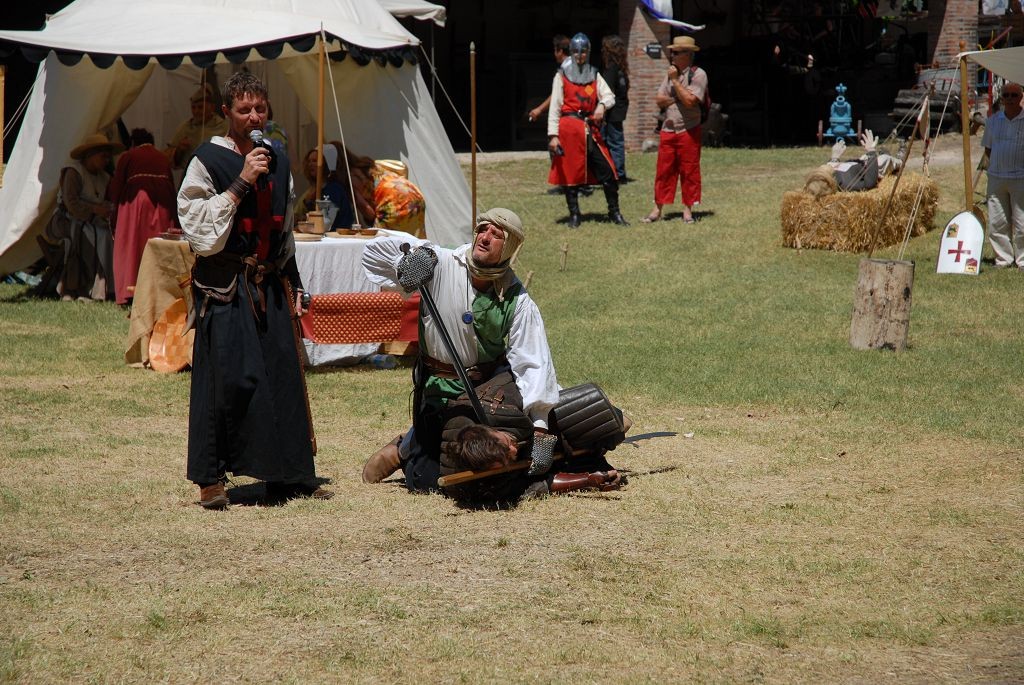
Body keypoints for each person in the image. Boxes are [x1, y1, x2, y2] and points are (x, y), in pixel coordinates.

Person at [177, 71, 332, 509]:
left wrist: (294, 279)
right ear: (226, 112)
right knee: (226, 381)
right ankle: (211, 480)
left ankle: (290, 475)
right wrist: (240, 181)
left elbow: (283, 227)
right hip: (225, 287)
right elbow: (197, 228)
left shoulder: (277, 157)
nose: (253, 116)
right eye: (244, 109)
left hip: (268, 284)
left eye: (260, 108)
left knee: (282, 377)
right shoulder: (207, 160)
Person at [360, 208, 561, 492]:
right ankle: (406, 446)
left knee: (487, 464)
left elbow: (532, 360)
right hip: (437, 389)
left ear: (509, 248)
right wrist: (410, 261)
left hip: (488, 389)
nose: (485, 237)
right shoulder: (441, 263)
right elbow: (372, 253)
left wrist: (539, 426)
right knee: (427, 480)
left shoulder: (517, 297)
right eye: (482, 229)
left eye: (496, 234)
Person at [547, 33, 628, 228]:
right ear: (572, 52)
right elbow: (555, 107)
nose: (580, 55)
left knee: (608, 171)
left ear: (588, 52)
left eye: (583, 51)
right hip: (569, 130)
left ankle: (614, 213)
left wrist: (601, 105)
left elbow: (609, 96)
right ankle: (574, 215)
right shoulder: (561, 76)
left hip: (590, 130)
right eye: (576, 51)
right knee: (571, 174)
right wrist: (553, 136)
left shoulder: (594, 74)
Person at [43, 132, 123, 301]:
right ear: (90, 155)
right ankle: (81, 287)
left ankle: (104, 288)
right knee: (91, 235)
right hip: (66, 220)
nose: (107, 160)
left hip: (91, 221)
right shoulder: (74, 172)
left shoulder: (104, 177)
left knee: (107, 236)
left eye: (108, 157)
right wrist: (95, 209)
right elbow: (71, 203)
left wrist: (106, 209)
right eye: (103, 156)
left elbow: (107, 201)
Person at [641, 35, 708, 225]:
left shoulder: (698, 74)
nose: (672, 56)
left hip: (689, 129)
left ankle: (688, 210)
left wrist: (676, 82)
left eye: (676, 52)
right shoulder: (669, 74)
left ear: (688, 54)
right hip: (668, 129)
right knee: (664, 171)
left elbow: (690, 101)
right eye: (672, 52)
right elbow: (659, 99)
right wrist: (676, 97)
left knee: (689, 170)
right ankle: (657, 209)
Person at [108, 128, 177, 305]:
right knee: (159, 243)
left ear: (133, 143)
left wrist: (114, 209)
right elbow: (171, 184)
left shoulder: (128, 156)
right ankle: (160, 289)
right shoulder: (162, 157)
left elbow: (117, 185)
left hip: (137, 200)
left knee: (133, 243)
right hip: (164, 202)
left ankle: (130, 290)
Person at [981, 82, 1024, 268]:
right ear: (1002, 98)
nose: (1010, 99)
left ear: (1021, 97)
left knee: (1022, 222)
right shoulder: (992, 121)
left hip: (1021, 177)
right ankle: (1003, 259)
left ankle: (1023, 260)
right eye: (1006, 95)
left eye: (1014, 95)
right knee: (997, 221)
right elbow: (988, 149)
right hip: (997, 177)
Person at [167, 83, 228, 171]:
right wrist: (179, 149)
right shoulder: (186, 127)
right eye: (193, 107)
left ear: (212, 107)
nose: (196, 111)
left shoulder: (224, 126)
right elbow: (168, 155)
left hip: (215, 173)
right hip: (190, 174)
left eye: (200, 107)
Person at [600, 35, 630, 181]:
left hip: (612, 111)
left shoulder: (611, 68)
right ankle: (617, 172)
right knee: (616, 142)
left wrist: (602, 109)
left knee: (612, 142)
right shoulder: (620, 67)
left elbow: (607, 91)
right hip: (619, 110)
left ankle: (617, 174)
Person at [527, 35, 572, 124]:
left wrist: (539, 109)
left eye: (555, 50)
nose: (554, 54)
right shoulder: (577, 66)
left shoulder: (565, 71)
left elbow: (556, 94)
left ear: (560, 51)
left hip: (570, 116)